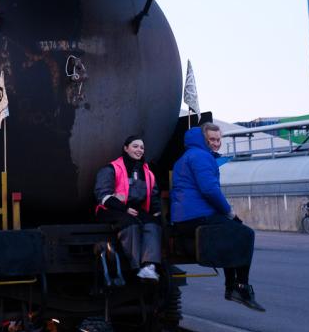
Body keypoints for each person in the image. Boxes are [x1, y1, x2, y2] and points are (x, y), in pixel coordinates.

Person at [171, 122, 265, 311]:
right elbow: (209, 190)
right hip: (196, 215)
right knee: (245, 234)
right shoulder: (201, 157)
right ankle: (240, 287)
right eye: (211, 140)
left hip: (184, 217)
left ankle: (232, 287)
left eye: (218, 139)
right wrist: (229, 212)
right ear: (203, 140)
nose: (215, 143)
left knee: (231, 234)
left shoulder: (187, 156)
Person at [94, 135, 162, 281]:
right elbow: (103, 196)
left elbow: (154, 196)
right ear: (126, 148)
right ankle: (136, 267)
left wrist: (157, 214)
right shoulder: (111, 168)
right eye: (135, 146)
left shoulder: (148, 173)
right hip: (111, 210)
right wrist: (124, 209)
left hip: (135, 209)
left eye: (142, 147)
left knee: (152, 224)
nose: (139, 150)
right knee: (130, 224)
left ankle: (148, 266)